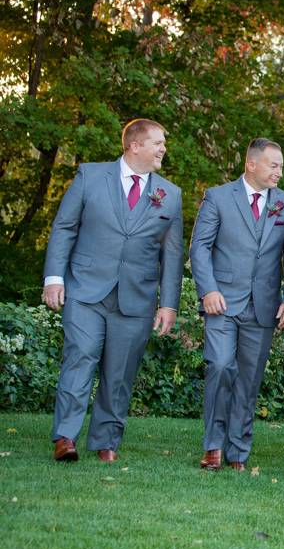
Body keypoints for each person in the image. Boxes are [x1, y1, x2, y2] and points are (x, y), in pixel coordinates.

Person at [42, 118, 183, 463]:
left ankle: (107, 441)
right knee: (81, 356)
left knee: (120, 372)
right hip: (86, 289)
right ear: (135, 145)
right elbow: (64, 227)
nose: (163, 149)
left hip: (136, 298)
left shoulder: (171, 195)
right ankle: (65, 437)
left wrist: (168, 305)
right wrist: (54, 278)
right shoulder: (90, 176)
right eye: (158, 143)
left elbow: (173, 254)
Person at [190, 138, 284, 472]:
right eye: (273, 165)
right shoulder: (219, 197)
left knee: (249, 380)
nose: (279, 172)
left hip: (264, 306)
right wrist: (207, 289)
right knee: (221, 366)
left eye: (281, 166)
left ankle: (238, 451)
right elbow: (200, 247)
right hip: (222, 302)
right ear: (251, 164)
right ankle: (212, 446)